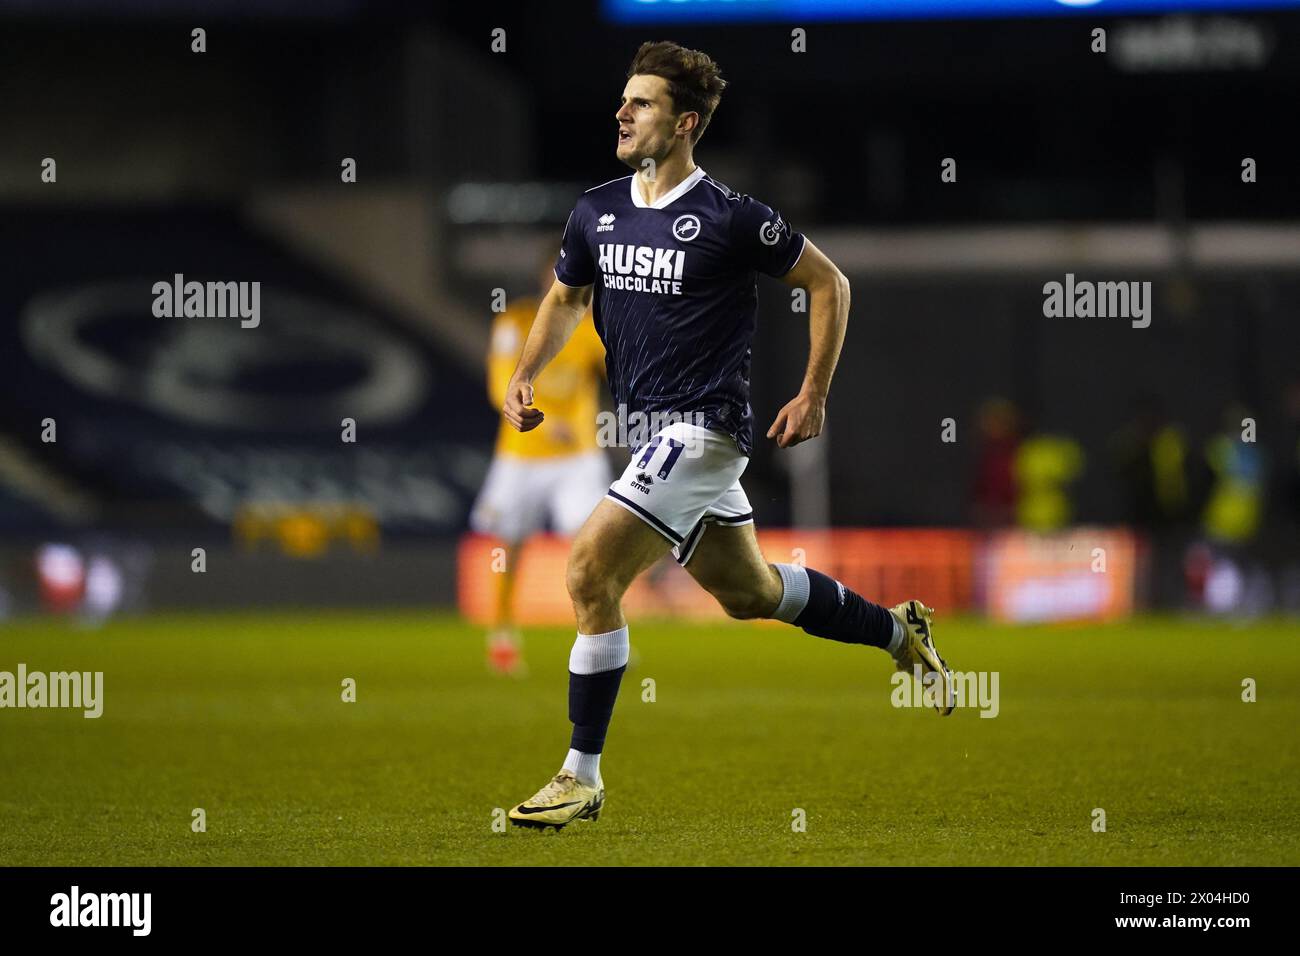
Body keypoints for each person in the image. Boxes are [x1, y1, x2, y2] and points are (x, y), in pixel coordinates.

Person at [501, 41, 955, 830]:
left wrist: (814, 392)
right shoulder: (595, 209)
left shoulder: (733, 218)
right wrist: (526, 372)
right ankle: (896, 631)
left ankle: (581, 775)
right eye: (622, 99)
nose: (621, 112)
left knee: (587, 575)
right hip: (653, 435)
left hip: (705, 429)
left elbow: (829, 282)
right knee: (750, 594)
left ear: (683, 124)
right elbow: (568, 299)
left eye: (638, 104)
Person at [469, 254, 610, 675]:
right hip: (522, 455)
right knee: (508, 544)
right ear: (542, 275)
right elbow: (500, 386)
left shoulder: (589, 327)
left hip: (578, 458)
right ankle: (502, 633)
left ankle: (602, 635)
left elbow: (620, 373)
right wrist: (549, 428)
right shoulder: (514, 322)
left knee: (593, 547)